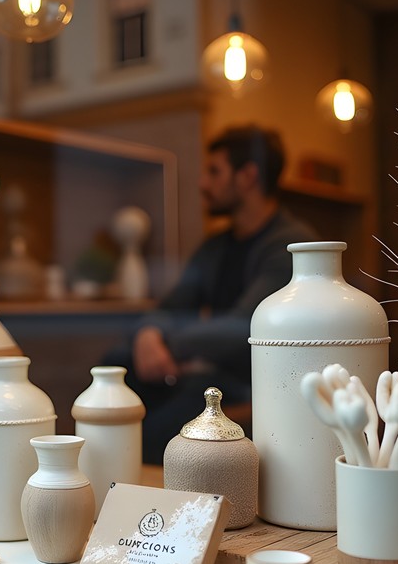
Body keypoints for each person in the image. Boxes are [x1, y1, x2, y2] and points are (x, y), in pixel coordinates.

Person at [105, 125, 318, 464]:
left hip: (257, 384)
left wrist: (165, 340)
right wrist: (149, 332)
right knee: (112, 368)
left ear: (247, 176)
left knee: (151, 435)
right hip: (205, 371)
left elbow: (246, 327)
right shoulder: (216, 246)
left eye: (214, 172)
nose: (203, 184)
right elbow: (172, 305)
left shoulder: (289, 245)